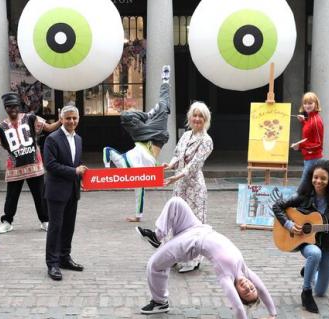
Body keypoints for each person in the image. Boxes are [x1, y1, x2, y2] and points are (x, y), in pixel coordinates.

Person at [135, 197, 277, 318]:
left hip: (191, 243)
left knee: (153, 265)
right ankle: (156, 236)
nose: (248, 287)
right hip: (198, 228)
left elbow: (238, 308)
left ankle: (160, 303)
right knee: (176, 202)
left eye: (246, 292)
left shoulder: (226, 278)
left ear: (238, 292)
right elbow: (262, 289)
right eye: (252, 288)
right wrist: (273, 314)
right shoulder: (245, 271)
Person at [0, 92, 61, 233]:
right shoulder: (1, 128)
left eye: (14, 105)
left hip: (34, 165)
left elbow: (48, 128)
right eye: (9, 106)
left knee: (40, 195)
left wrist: (60, 121)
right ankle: (7, 221)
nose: (12, 109)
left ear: (19, 105)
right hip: (15, 168)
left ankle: (45, 221)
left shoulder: (31, 118)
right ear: (5, 108)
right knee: (11, 196)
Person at [272, 160, 329, 314]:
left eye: (323, 178)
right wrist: (288, 224)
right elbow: (277, 206)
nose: (318, 181)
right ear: (311, 177)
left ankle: (309, 270)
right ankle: (306, 291)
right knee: (315, 253)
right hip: (308, 243)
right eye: (315, 177)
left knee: (321, 292)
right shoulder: (304, 196)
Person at [103, 65, 172, 222]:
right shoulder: (136, 175)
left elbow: (107, 150)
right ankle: (164, 83)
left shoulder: (127, 166)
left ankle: (148, 114)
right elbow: (139, 191)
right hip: (155, 137)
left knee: (126, 116)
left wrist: (107, 171)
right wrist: (138, 216)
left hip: (144, 139)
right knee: (162, 105)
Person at [163, 101, 214, 273]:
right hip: (180, 186)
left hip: (194, 188)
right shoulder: (186, 135)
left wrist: (176, 175)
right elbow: (177, 154)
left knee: (194, 224)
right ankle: (175, 255)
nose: (197, 119)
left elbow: (194, 165)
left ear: (205, 119)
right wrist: (169, 166)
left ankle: (193, 260)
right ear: (190, 118)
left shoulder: (207, 141)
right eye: (195, 115)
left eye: (201, 116)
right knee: (177, 221)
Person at [43, 105, 87, 281]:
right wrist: (75, 172)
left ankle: (64, 258)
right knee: (55, 228)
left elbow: (76, 162)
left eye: (74, 118)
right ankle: (52, 264)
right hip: (56, 192)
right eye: (68, 118)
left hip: (72, 191)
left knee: (69, 227)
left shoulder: (79, 139)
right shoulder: (52, 139)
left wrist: (82, 177)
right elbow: (51, 165)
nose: (71, 121)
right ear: (61, 119)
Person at [290, 92, 324, 186]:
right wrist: (303, 121)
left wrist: (300, 146)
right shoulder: (310, 118)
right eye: (305, 103)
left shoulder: (316, 120)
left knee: (303, 187)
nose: (307, 105)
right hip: (310, 157)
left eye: (310, 103)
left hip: (313, 158)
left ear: (316, 104)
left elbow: (318, 144)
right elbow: (310, 133)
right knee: (310, 187)